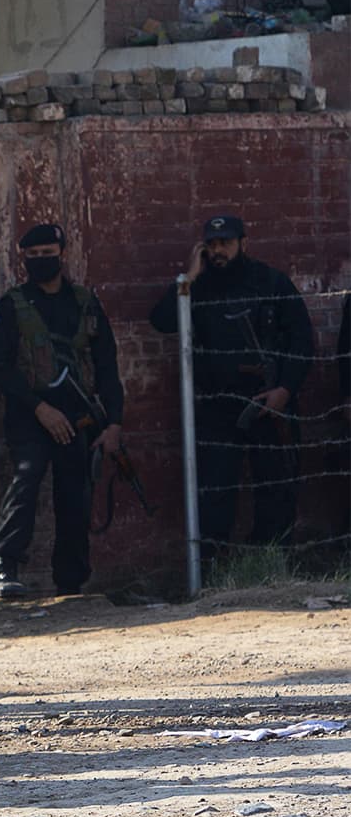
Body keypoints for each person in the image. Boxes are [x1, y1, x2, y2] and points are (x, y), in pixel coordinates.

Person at [149, 215, 314, 569]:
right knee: (215, 491)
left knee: (275, 485)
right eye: (212, 244)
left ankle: (270, 566)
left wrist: (285, 389)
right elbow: (162, 321)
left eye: (225, 242)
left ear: (243, 243)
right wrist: (187, 279)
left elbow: (302, 339)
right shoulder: (200, 287)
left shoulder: (270, 282)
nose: (218, 250)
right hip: (217, 406)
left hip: (267, 401)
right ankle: (212, 573)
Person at [0, 223, 124, 599]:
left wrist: (114, 422)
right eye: (34, 256)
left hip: (78, 415)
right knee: (26, 480)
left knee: (75, 493)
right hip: (31, 414)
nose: (42, 261)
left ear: (62, 254)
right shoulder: (12, 306)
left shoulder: (84, 302)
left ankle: (71, 582)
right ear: (23, 259)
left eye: (49, 254)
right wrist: (40, 408)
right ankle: (5, 569)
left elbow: (107, 364)